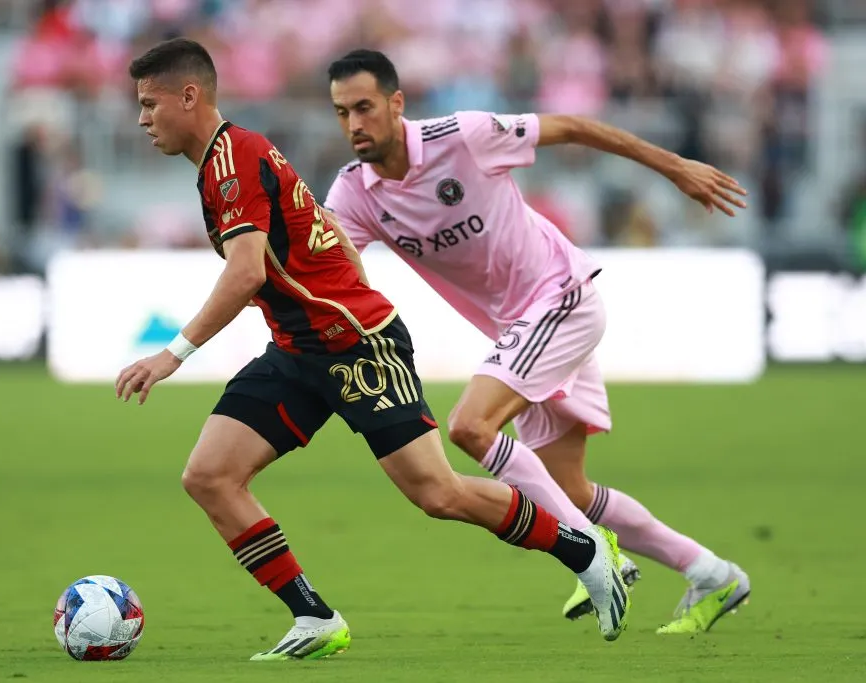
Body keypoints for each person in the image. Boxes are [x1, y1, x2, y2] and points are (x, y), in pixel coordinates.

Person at [113, 38, 632, 661]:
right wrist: (339, 278)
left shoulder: (234, 160)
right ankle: (313, 617)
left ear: (189, 96)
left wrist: (173, 354)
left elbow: (247, 270)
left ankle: (584, 551)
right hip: (300, 348)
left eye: (149, 103)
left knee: (438, 494)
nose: (142, 118)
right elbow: (325, 231)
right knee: (209, 476)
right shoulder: (223, 163)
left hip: (357, 346)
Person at [322, 49, 751, 635]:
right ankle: (713, 573)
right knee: (568, 487)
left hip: (561, 298)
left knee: (471, 427)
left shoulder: (466, 135)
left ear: (397, 104)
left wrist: (674, 167)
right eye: (342, 112)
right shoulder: (354, 192)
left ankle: (593, 551)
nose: (353, 125)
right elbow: (330, 269)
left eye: (364, 108)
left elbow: (572, 127)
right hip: (522, 330)